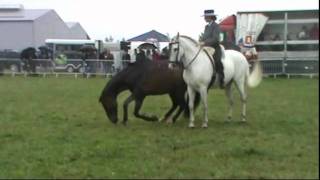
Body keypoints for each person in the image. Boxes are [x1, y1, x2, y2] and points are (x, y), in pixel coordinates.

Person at [199, 9, 224, 88]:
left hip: (215, 47)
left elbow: (215, 38)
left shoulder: (216, 26)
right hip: (206, 47)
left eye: (205, 17)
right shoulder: (206, 27)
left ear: (210, 17)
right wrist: (200, 41)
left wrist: (205, 42)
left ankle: (221, 79)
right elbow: (204, 37)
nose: (204, 18)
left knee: (217, 61)